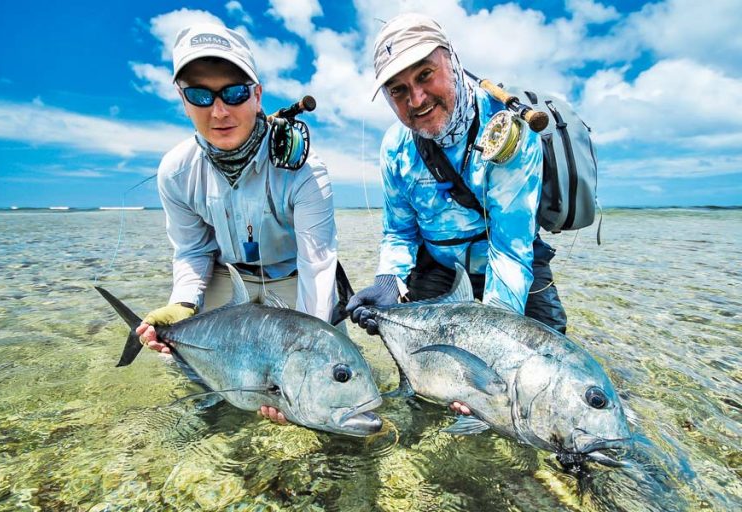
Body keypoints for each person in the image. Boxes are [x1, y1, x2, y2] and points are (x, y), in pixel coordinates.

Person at [346, 13, 567, 416]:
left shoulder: (510, 132)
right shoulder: (395, 148)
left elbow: (511, 250)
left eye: (425, 75)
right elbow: (398, 232)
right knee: (427, 391)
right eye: (398, 90)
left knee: (547, 382)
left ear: (452, 60)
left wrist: (490, 351)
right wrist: (388, 281)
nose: (416, 100)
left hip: (511, 263)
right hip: (441, 267)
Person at [136, 23, 339, 424]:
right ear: (183, 101)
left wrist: (297, 369)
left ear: (257, 94)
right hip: (226, 277)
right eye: (199, 95)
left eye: (233, 92)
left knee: (327, 378)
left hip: (292, 274)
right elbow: (193, 251)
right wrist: (183, 304)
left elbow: (318, 267)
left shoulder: (306, 172)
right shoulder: (175, 172)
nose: (219, 111)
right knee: (192, 377)